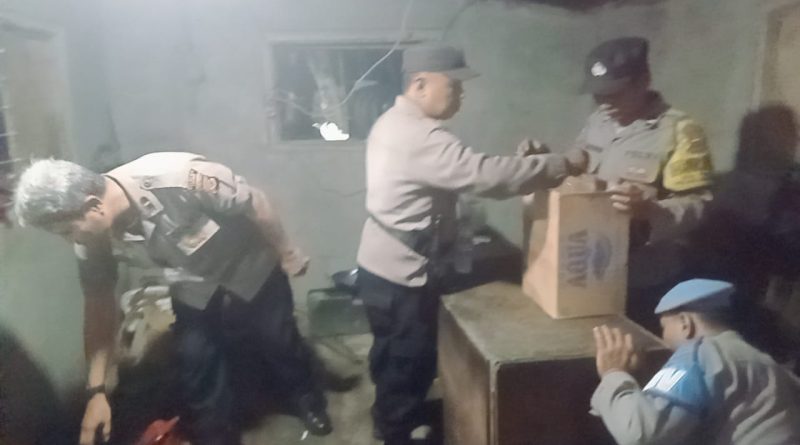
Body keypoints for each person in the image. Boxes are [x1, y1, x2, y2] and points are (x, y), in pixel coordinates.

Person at [356, 43, 589, 445]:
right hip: (403, 273)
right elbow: (484, 176)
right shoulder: (421, 136)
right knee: (409, 359)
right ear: (420, 84)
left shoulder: (391, 121)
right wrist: (559, 164)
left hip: (379, 265)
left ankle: (388, 416)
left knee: (389, 353)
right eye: (454, 85)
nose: (461, 94)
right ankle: (397, 432)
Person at [13, 153, 331, 445]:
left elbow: (256, 203)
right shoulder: (91, 235)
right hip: (191, 284)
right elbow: (98, 304)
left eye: (67, 231)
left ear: (94, 206)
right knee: (197, 362)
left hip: (248, 266)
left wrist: (287, 252)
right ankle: (217, 436)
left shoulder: (181, 178)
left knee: (278, 339)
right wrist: (96, 391)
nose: (70, 240)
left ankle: (307, 399)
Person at [573, 37, 715, 331]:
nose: (605, 103)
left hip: (646, 279)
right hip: (594, 270)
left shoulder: (678, 130)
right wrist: (547, 160)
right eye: (599, 94)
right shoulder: (598, 122)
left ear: (644, 81)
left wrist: (650, 211)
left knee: (640, 350)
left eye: (615, 93)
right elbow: (578, 164)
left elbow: (699, 206)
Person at [591, 279, 800, 444]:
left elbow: (642, 433)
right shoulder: (767, 364)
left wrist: (614, 373)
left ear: (685, 323)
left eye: (664, 328)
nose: (663, 339)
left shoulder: (698, 354)